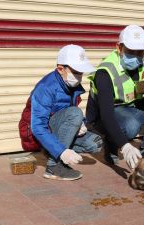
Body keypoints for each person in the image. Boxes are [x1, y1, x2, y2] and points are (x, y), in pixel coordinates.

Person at [86, 25, 144, 170]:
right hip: (109, 114)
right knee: (131, 126)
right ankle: (112, 143)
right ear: (119, 47)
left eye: (140, 52)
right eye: (131, 51)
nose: (137, 56)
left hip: (134, 106)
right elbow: (106, 115)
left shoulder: (143, 60)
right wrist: (125, 146)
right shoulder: (105, 72)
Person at [19, 44, 103, 181]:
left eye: (81, 72)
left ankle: (50, 149)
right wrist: (61, 151)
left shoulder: (71, 85)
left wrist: (80, 124)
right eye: (75, 71)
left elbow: (65, 111)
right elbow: (37, 127)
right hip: (34, 134)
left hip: (55, 128)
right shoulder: (45, 88)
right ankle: (55, 166)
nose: (79, 76)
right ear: (60, 69)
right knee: (75, 113)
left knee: (95, 143)